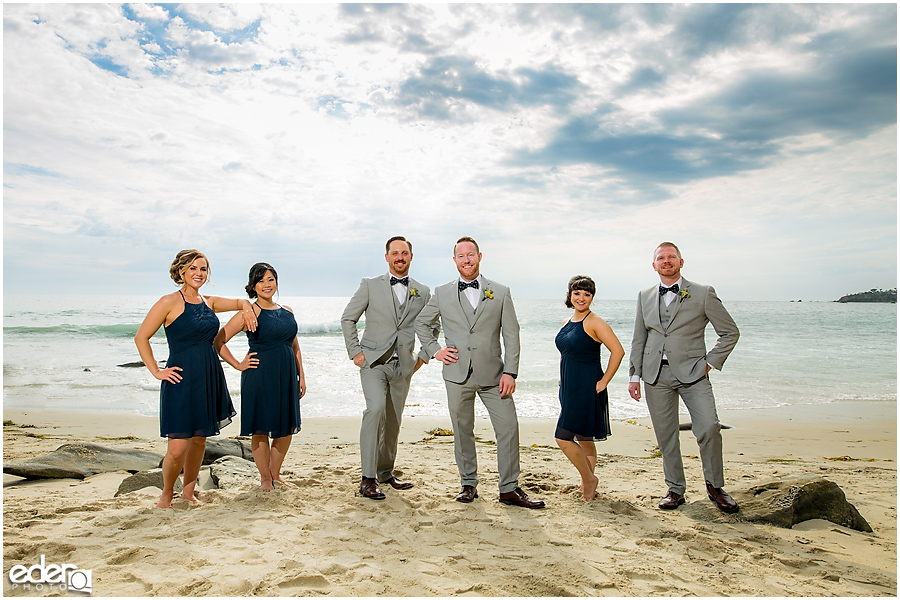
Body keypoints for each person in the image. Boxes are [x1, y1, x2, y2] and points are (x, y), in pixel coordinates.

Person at [415, 236, 544, 508]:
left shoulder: (500, 291)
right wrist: (435, 350)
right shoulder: (442, 292)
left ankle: (509, 488)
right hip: (456, 374)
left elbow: (512, 335)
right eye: (461, 256)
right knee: (463, 430)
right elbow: (422, 323)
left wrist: (511, 372)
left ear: (480, 256)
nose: (466, 260)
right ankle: (468, 484)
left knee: (508, 428)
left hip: (495, 376)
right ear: (454, 261)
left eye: (470, 255)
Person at [135, 249, 257, 508]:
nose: (199, 274)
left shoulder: (209, 302)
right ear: (181, 272)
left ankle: (188, 492)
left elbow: (239, 303)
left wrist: (247, 310)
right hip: (180, 379)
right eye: (193, 269)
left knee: (200, 439)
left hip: (209, 376)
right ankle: (166, 493)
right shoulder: (167, 302)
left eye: (203, 269)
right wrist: (156, 371)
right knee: (177, 447)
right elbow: (141, 337)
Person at [628, 242, 740, 513]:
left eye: (671, 257)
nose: (666, 261)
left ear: (681, 261)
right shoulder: (644, 295)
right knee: (666, 436)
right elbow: (639, 338)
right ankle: (675, 489)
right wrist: (634, 375)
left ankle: (715, 487)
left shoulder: (703, 293)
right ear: (654, 265)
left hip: (694, 375)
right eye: (661, 258)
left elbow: (729, 332)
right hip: (655, 375)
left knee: (709, 426)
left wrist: (709, 364)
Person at [341, 236, 433, 500]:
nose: (400, 257)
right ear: (387, 257)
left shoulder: (423, 292)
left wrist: (423, 357)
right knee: (375, 410)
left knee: (393, 422)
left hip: (403, 366)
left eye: (404, 253)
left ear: (411, 257)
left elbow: (432, 325)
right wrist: (355, 352)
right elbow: (348, 318)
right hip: (373, 362)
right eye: (395, 253)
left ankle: (385, 472)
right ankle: (367, 478)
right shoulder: (370, 285)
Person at [214, 262, 306, 492]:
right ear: (253, 286)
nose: (266, 284)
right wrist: (237, 364)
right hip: (259, 375)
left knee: (286, 428)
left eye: (270, 279)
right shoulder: (248, 313)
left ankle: (275, 473)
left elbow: (294, 346)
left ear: (276, 282)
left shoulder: (288, 311)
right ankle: (265, 477)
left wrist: (301, 376)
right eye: (261, 280)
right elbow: (218, 341)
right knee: (260, 428)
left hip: (286, 376)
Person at [555, 275, 624, 502]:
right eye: (577, 293)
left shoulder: (595, 322)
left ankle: (589, 479)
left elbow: (618, 351)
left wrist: (604, 381)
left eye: (587, 294)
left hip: (586, 387)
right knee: (584, 438)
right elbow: (569, 355)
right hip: (569, 387)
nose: (581, 298)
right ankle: (587, 483)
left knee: (563, 438)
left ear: (592, 297)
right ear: (570, 295)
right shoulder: (567, 322)